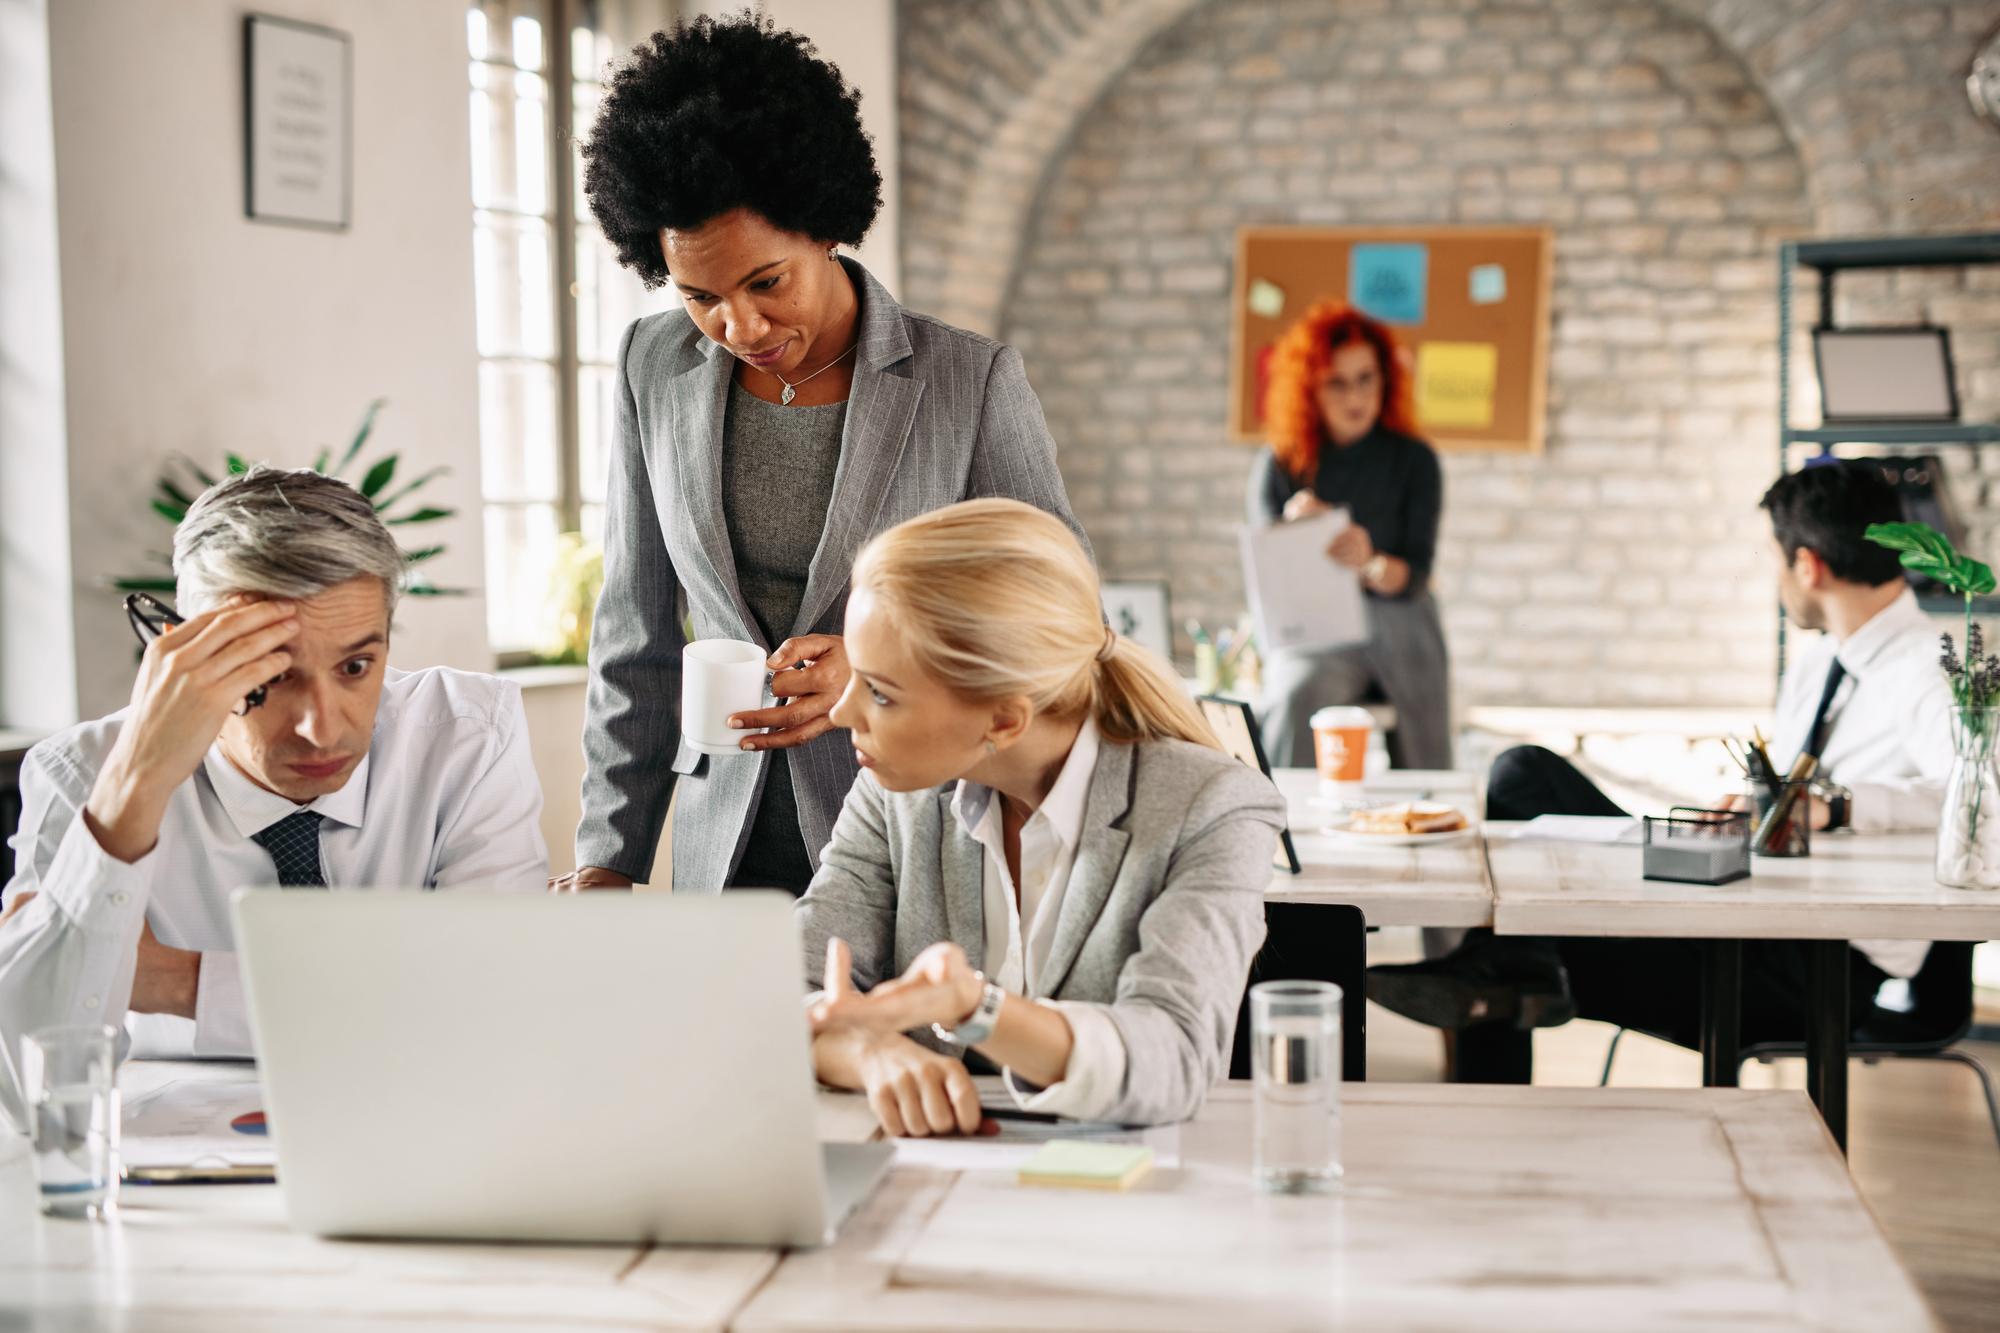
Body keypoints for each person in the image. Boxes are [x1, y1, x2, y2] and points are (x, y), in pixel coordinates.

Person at [562, 14, 1086, 898]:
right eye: (700, 296)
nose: (740, 327)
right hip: (718, 852)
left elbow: (1063, 618)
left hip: (913, 836)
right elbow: (635, 635)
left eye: (766, 282)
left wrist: (882, 668)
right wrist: (609, 858)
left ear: (825, 224)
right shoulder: (649, 366)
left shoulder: (968, 381)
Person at [1369, 461, 1953, 1082]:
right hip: (1750, 910)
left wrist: (1837, 806)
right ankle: (1507, 974)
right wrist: (1753, 806)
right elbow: (1786, 804)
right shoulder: (1820, 664)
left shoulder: (1931, 673)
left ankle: (1500, 1006)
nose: (1775, 578)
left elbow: (1982, 805)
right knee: (1524, 774)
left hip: (1817, 968)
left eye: (1773, 561)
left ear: (1807, 566)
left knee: (1525, 951)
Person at [0, 468, 547, 1123]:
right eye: (274, 673)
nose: (322, 725)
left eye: (355, 667)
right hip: (170, 1183)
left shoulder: (465, 735)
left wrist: (176, 982)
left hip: (423, 1135)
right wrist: (134, 787)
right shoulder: (83, 773)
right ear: (184, 654)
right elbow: (31, 1072)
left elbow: (491, 1008)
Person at [795, 499, 1285, 1135]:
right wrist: (867, 1051)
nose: (841, 714)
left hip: (1123, 1196)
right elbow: (782, 990)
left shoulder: (1213, 807)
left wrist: (979, 1010)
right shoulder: (895, 792)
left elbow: (1176, 1059)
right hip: (928, 1184)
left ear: (1004, 720)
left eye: (881, 692)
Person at [1247, 302, 1450, 771]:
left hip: (1402, 623)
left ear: (1385, 380)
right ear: (1310, 388)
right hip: (1317, 631)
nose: (1353, 395)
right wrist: (1298, 541)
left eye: (1366, 378)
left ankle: (1428, 821)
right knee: (1292, 695)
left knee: (1426, 740)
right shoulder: (1279, 465)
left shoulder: (1416, 461)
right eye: (1336, 382)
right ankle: (1282, 826)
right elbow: (1268, 586)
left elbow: (1416, 575)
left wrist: (1368, 562)